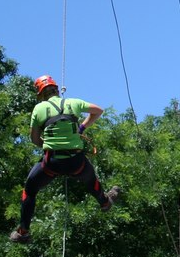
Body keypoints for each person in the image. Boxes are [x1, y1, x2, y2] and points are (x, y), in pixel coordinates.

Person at [9, 74, 119, 243]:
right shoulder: (73, 103)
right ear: (57, 90)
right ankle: (104, 202)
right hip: (76, 162)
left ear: (40, 94)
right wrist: (82, 127)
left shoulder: (39, 109)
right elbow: (98, 111)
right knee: (91, 181)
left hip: (51, 163)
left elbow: (34, 139)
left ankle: (23, 231)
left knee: (30, 189)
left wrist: (50, 144)